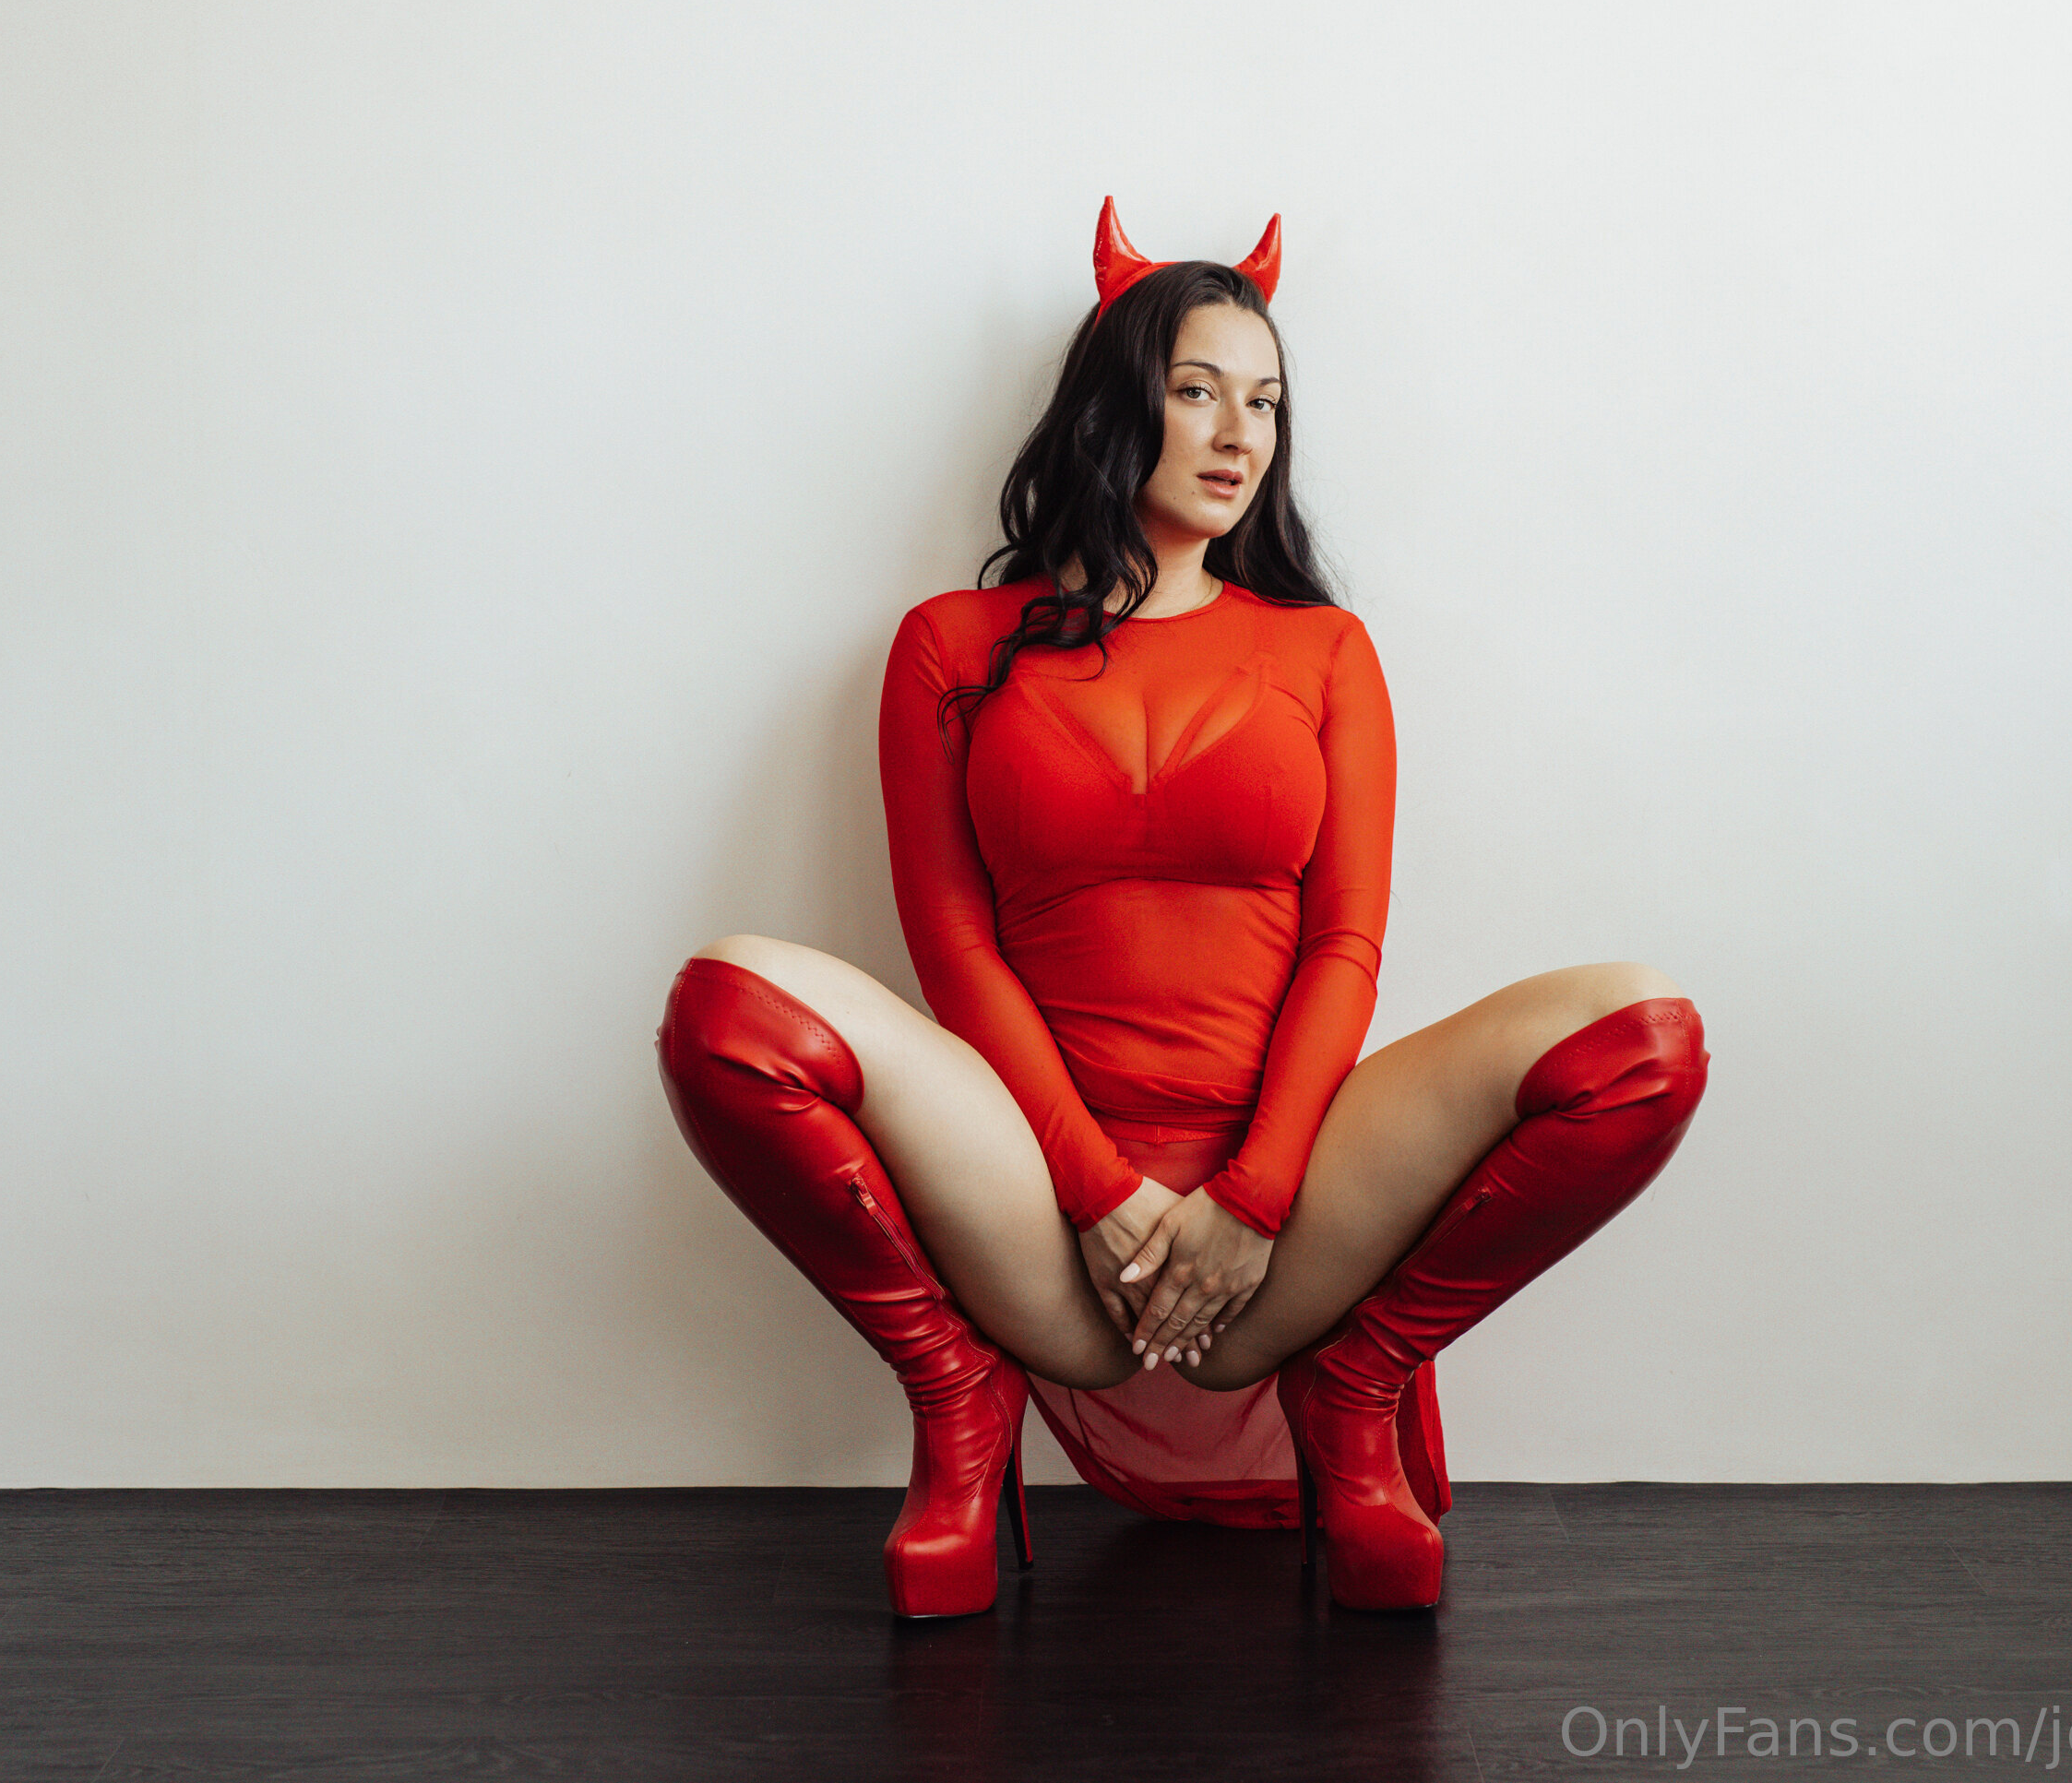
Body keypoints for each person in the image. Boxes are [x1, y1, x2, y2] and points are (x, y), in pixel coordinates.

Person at [655, 200, 1708, 1617]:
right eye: (1199, 390)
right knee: (725, 1006)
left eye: (1265, 401)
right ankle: (959, 1397)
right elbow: (956, 950)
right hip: (1029, 1189)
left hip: (1294, 1193)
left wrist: (1255, 1199)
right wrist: (1096, 1192)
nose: (1239, 434)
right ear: (1114, 405)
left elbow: (1345, 945)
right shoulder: (949, 647)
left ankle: (1354, 1384)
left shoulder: (1327, 650)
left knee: (1644, 1036)